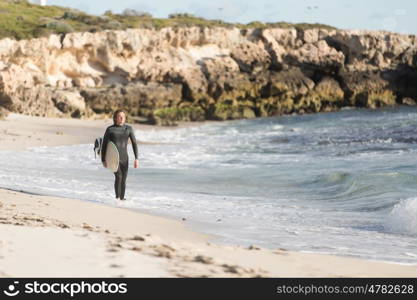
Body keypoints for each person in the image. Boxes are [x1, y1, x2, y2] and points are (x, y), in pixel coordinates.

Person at [101, 109, 139, 200]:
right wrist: (103, 159)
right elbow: (104, 144)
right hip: (113, 158)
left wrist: (136, 158)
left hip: (125, 158)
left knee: (124, 179)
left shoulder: (128, 129)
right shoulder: (110, 129)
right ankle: (117, 198)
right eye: (119, 116)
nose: (121, 118)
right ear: (115, 118)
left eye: (123, 116)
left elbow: (134, 143)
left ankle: (122, 199)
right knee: (119, 176)